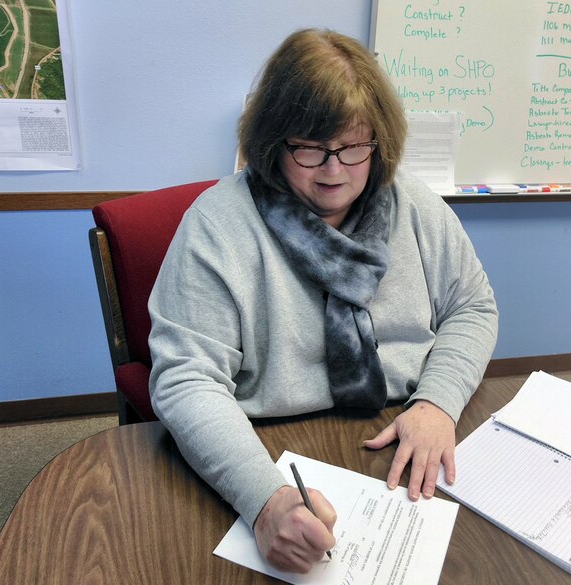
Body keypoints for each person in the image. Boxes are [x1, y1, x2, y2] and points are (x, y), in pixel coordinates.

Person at [148, 28, 498, 574]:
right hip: (266, 450)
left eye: (354, 146)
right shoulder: (217, 226)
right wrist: (264, 502)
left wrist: (436, 403)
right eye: (311, 148)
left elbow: (472, 307)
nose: (334, 170)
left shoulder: (414, 207)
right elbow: (187, 379)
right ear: (273, 142)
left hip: (410, 432)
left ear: (379, 141)